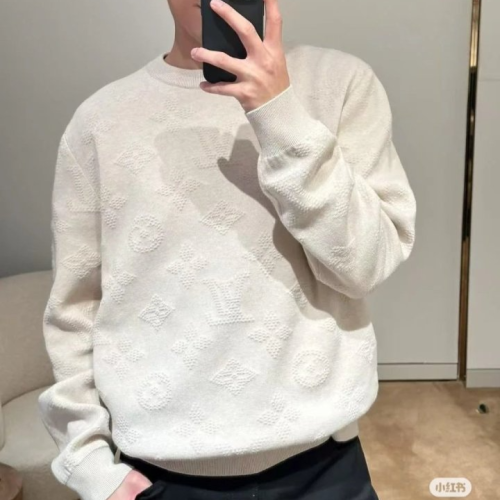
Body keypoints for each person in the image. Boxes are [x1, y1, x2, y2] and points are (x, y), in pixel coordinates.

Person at [38, 0, 417, 499]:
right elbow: (74, 308)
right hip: (160, 473)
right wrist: (88, 463)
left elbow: (366, 264)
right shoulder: (100, 120)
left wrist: (279, 114)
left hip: (323, 464)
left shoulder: (342, 83)